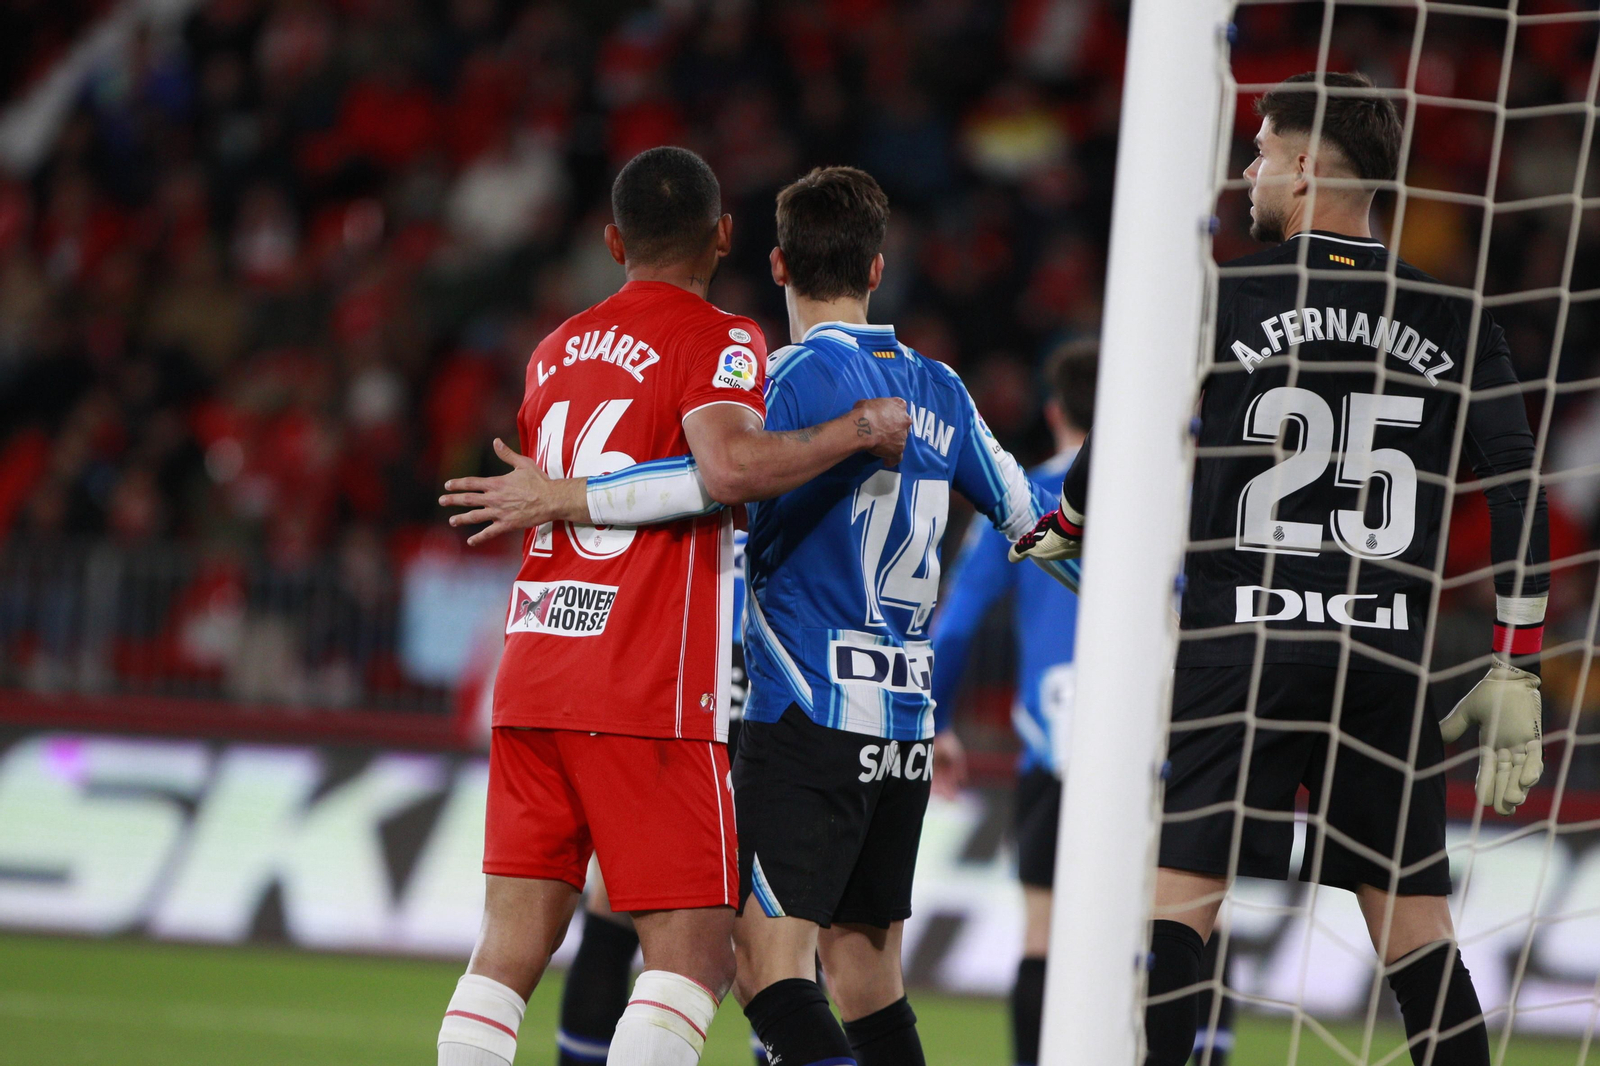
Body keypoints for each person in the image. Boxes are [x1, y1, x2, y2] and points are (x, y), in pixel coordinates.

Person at [1014, 72, 1549, 1066]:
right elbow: (1518, 487)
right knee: (1418, 938)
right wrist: (1514, 661)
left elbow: (1119, 429)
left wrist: (1068, 519)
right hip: (1380, 657)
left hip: (1239, 651)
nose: (1248, 173)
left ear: (1306, 166)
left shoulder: (1218, 294)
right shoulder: (1457, 316)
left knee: (1176, 914)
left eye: (1261, 152)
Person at [433, 145, 910, 1066]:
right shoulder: (721, 338)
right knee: (692, 955)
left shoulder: (553, 349)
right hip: (647, 683)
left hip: (535, 670)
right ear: (725, 236)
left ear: (614, 241)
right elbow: (727, 467)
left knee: (507, 950)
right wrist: (853, 431)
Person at [933, 341, 1235, 1066]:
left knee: (1044, 931)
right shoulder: (1182, 494)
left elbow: (959, 622)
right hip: (1166, 742)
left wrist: (937, 723)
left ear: (1054, 412)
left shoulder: (1027, 497)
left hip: (1057, 741)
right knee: (1192, 926)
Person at [555, 529, 767, 1066]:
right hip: (761, 692)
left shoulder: (686, 480)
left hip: (675, 689)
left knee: (614, 909)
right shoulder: (799, 470)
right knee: (779, 945)